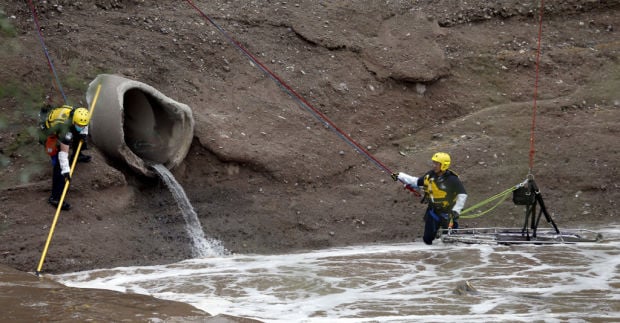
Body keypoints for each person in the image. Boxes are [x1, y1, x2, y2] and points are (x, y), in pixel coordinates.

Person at [391, 152, 467, 245]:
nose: (434, 166)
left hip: (448, 214)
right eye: (433, 163)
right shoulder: (429, 176)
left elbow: (462, 195)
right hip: (433, 212)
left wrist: (456, 210)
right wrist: (400, 175)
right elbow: (415, 182)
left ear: (443, 165)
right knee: (427, 240)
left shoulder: (452, 179)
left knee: (451, 241)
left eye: (436, 164)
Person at [40, 104, 92, 210]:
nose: (81, 126)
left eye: (82, 125)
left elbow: (84, 126)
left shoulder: (79, 116)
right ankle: (55, 198)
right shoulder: (65, 129)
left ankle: (78, 155)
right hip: (49, 132)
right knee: (59, 166)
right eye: (78, 124)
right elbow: (63, 153)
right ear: (74, 121)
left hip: (62, 122)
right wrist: (66, 170)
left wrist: (84, 134)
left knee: (79, 135)